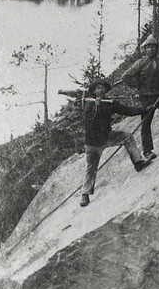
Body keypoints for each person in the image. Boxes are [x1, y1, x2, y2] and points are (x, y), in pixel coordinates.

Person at [59, 78, 151, 207]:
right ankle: (85, 194)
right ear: (94, 91)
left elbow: (126, 110)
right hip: (93, 143)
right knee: (91, 168)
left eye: (102, 88)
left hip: (108, 136)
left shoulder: (110, 103)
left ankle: (138, 162)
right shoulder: (89, 104)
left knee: (127, 137)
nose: (101, 90)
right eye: (98, 88)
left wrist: (144, 110)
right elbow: (90, 119)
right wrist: (96, 105)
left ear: (105, 90)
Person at [121, 34, 159, 160]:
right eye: (148, 47)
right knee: (146, 123)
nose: (151, 50)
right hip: (146, 97)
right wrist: (138, 85)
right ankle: (147, 151)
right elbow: (125, 77)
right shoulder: (140, 63)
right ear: (145, 49)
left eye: (153, 47)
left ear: (157, 48)